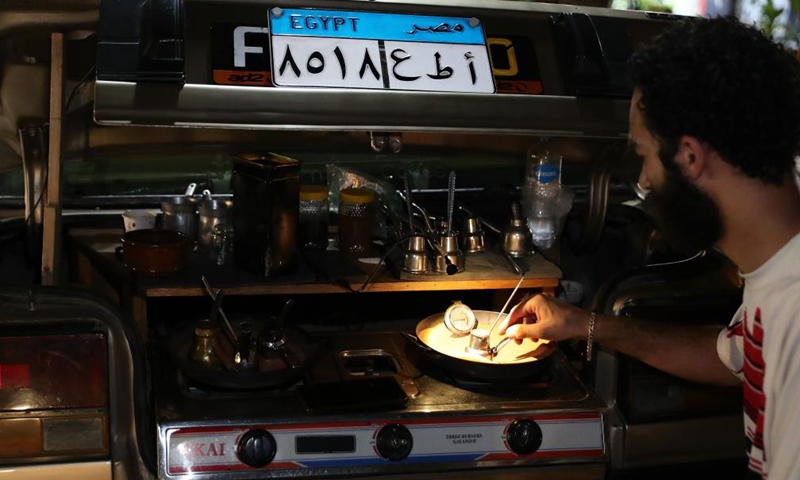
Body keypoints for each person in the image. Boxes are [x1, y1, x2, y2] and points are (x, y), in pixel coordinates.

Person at [497, 15, 800, 480]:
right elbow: (731, 355)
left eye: (642, 156)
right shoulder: (775, 275)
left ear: (690, 158)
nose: (641, 183)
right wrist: (584, 325)